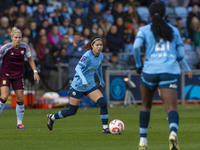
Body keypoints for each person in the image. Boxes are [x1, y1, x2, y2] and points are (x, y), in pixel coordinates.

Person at [133, 2, 184, 150]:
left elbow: (136, 47)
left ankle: (143, 141)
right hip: (168, 70)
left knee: (145, 106)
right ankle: (173, 133)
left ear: (149, 15)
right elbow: (181, 55)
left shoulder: (144, 29)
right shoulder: (174, 30)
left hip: (150, 71)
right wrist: (172, 59)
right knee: (171, 107)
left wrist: (138, 64)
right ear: (164, 14)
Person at [47, 37, 110, 134]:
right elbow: (78, 68)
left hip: (89, 86)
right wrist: (84, 80)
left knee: (102, 102)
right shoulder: (87, 55)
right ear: (92, 46)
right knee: (72, 111)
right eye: (97, 45)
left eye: (101, 45)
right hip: (78, 86)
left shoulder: (100, 56)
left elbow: (99, 68)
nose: (99, 47)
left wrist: (101, 80)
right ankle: (52, 117)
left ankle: (105, 128)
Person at [0, 26, 40, 129]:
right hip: (6, 75)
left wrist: (35, 71)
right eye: (16, 37)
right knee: (4, 97)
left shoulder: (25, 47)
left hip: (18, 75)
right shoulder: (6, 48)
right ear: (11, 37)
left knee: (20, 98)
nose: (18, 39)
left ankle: (19, 123)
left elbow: (30, 59)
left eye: (19, 37)